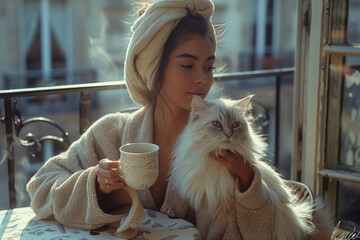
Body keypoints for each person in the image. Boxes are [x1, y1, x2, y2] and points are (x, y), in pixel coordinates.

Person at [27, 0, 325, 239]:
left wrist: (247, 182)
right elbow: (41, 188)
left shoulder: (225, 144)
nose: (202, 80)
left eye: (208, 67)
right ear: (154, 67)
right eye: (187, 65)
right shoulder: (113, 133)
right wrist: (97, 185)